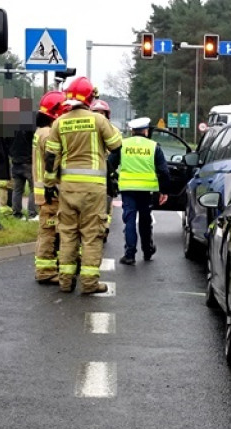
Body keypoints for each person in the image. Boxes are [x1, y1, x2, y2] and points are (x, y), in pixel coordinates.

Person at [43, 76, 123, 294]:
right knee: (91, 235)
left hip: (68, 188)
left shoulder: (60, 122)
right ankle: (89, 283)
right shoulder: (97, 120)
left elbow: (51, 157)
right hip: (93, 189)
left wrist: (50, 184)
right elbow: (116, 145)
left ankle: (65, 281)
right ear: (90, 97)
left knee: (68, 234)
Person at [109, 116, 170, 265]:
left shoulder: (122, 145)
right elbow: (163, 171)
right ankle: (147, 250)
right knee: (145, 220)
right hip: (146, 190)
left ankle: (129, 254)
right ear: (145, 131)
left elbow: (109, 164)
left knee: (129, 220)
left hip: (128, 189)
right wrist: (164, 191)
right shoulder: (154, 146)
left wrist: (115, 177)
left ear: (132, 131)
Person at [31, 90, 69, 284]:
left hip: (44, 192)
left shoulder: (41, 132)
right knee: (49, 232)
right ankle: (45, 271)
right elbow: (52, 163)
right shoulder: (48, 134)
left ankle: (48, 267)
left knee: (48, 230)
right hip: (50, 192)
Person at [90, 99, 118, 241]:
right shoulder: (86, 129)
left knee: (106, 205)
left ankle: (104, 229)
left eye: (101, 113)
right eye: (95, 113)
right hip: (90, 174)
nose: (99, 116)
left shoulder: (113, 130)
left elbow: (117, 149)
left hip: (106, 173)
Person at [9, 110, 37, 220]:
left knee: (17, 190)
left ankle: (16, 213)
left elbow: (7, 143)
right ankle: (32, 214)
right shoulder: (30, 128)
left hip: (15, 163)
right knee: (33, 189)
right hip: (28, 162)